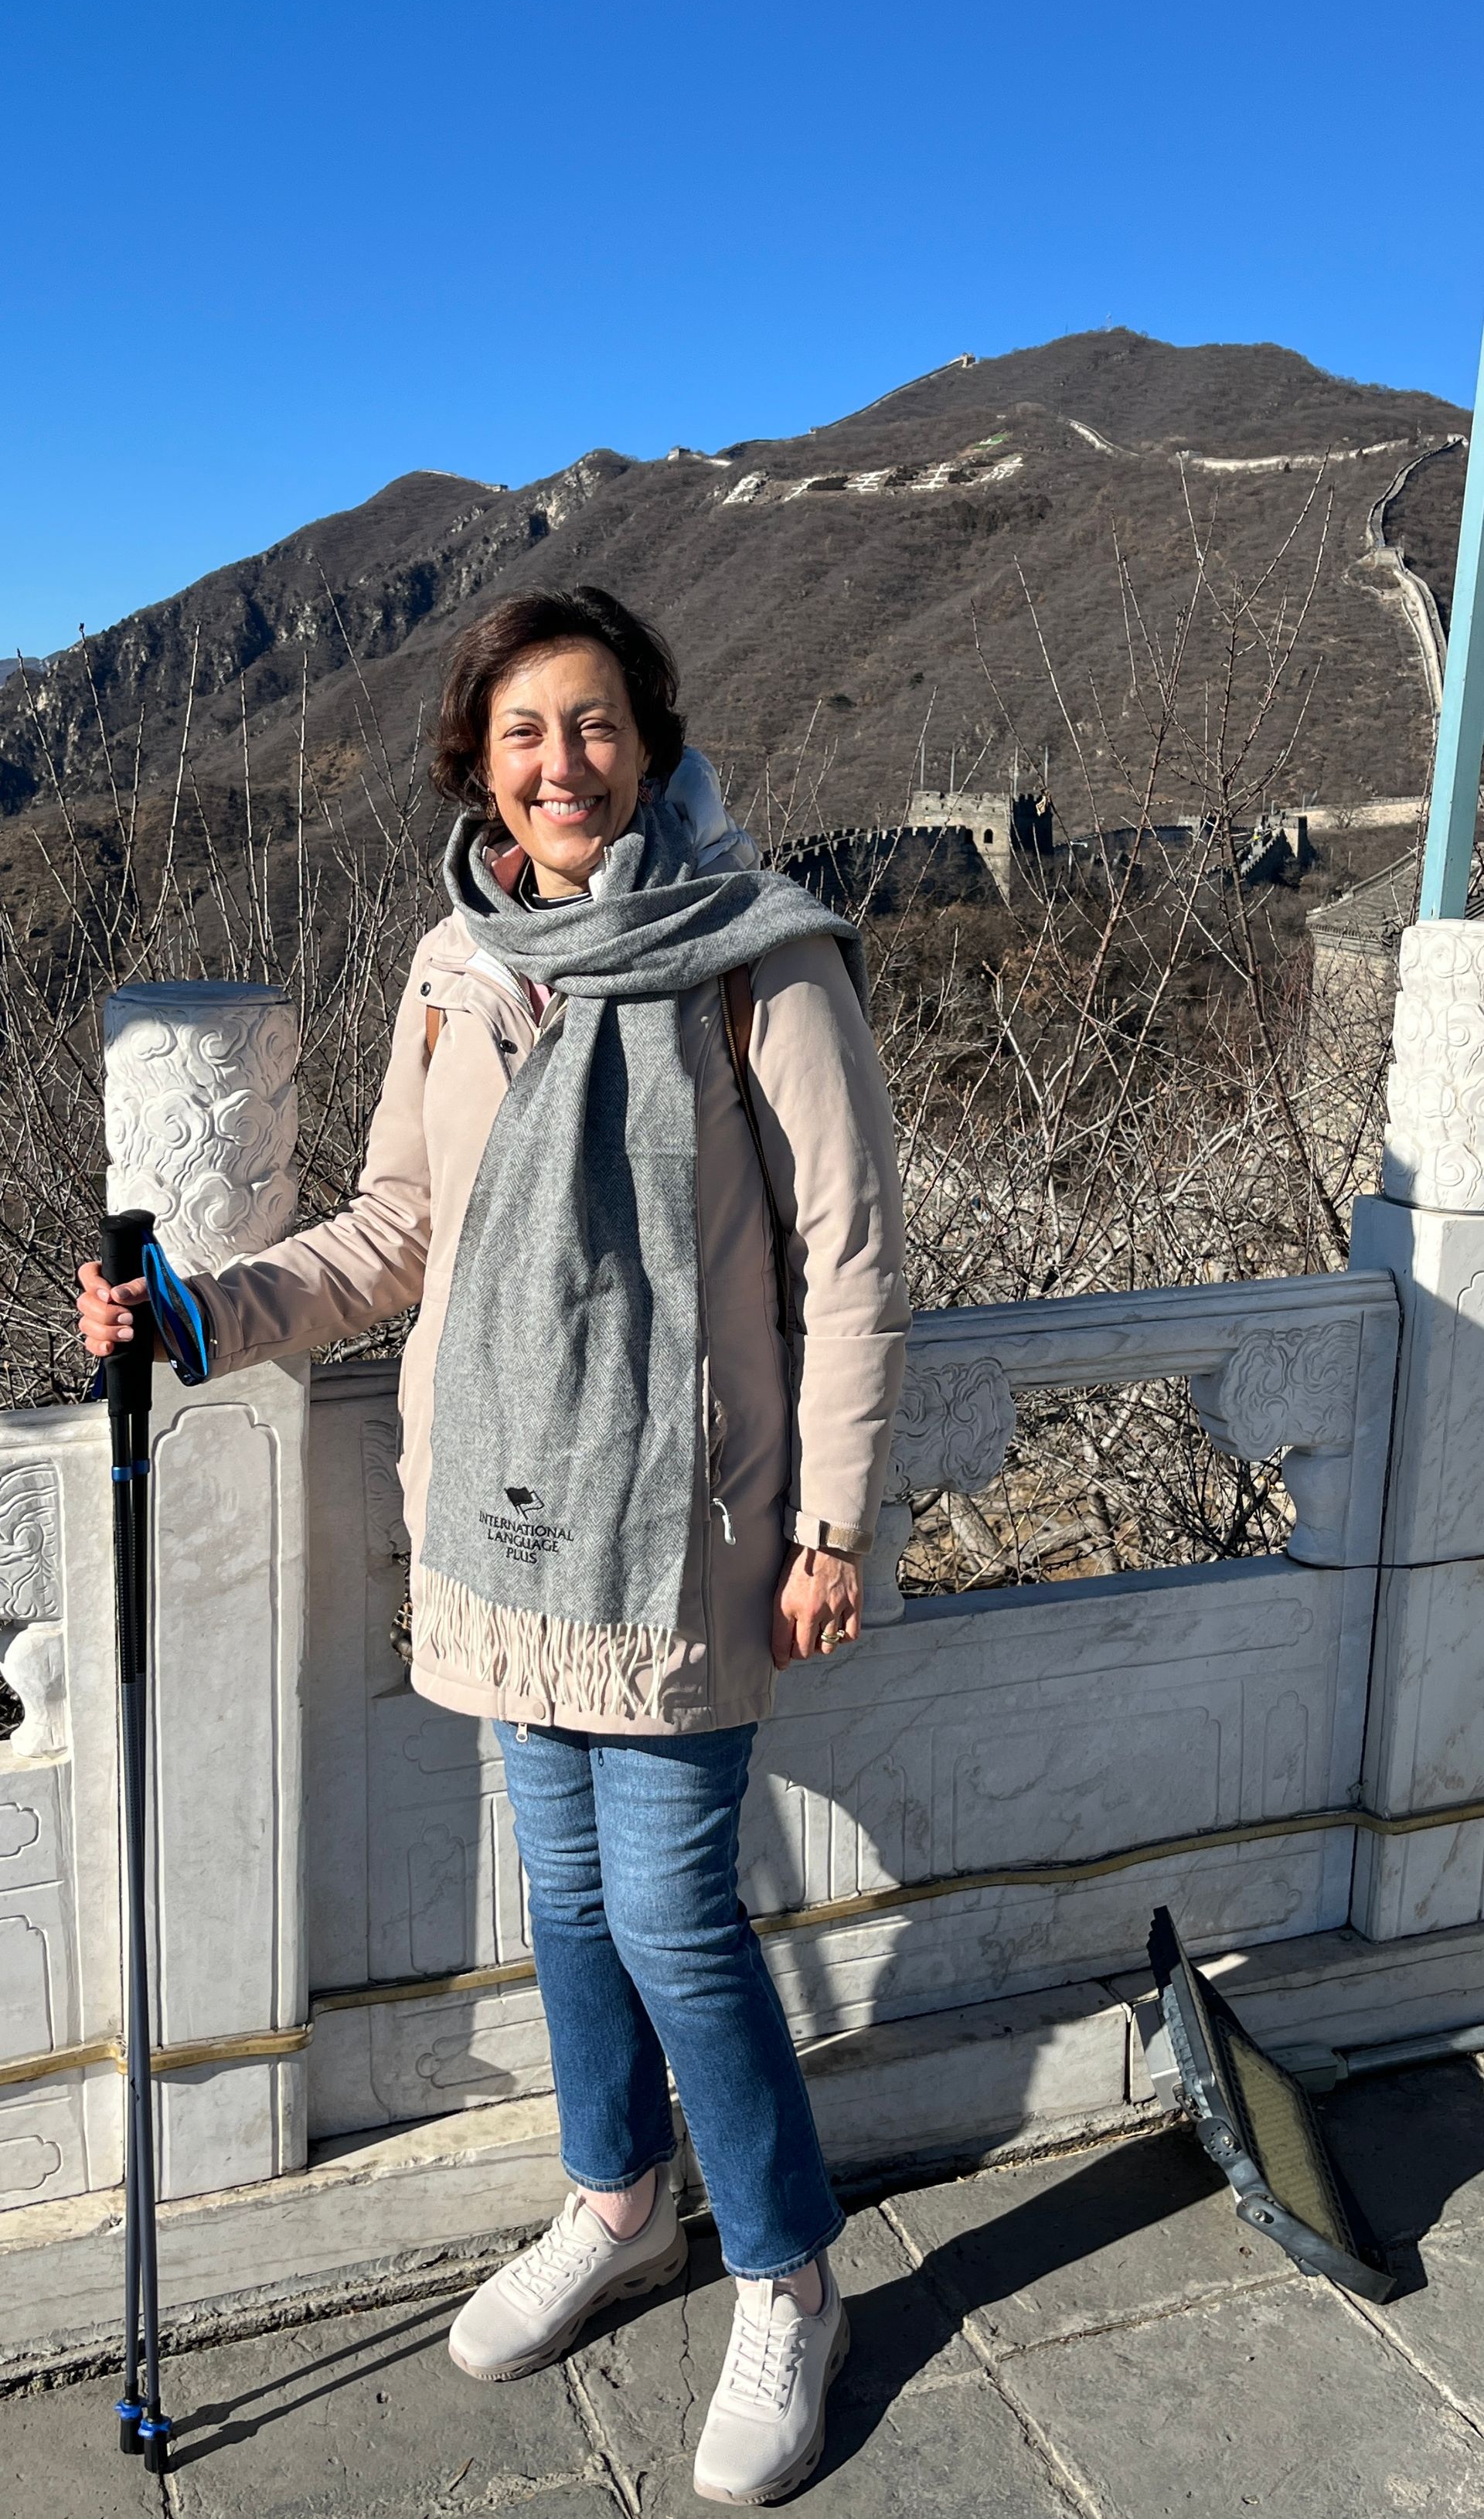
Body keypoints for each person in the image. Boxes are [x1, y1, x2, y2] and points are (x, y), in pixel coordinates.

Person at [78, 584, 909, 2507]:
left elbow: (853, 1260)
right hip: (501, 1526)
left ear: (657, 738)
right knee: (564, 1901)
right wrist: (205, 1313)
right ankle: (616, 2199)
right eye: (527, 732)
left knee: (677, 1919)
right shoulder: (456, 973)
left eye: (599, 723)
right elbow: (393, 1228)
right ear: (477, 761)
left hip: (692, 1523)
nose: (565, 764)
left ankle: (789, 2270)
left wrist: (839, 1521)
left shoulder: (758, 962)